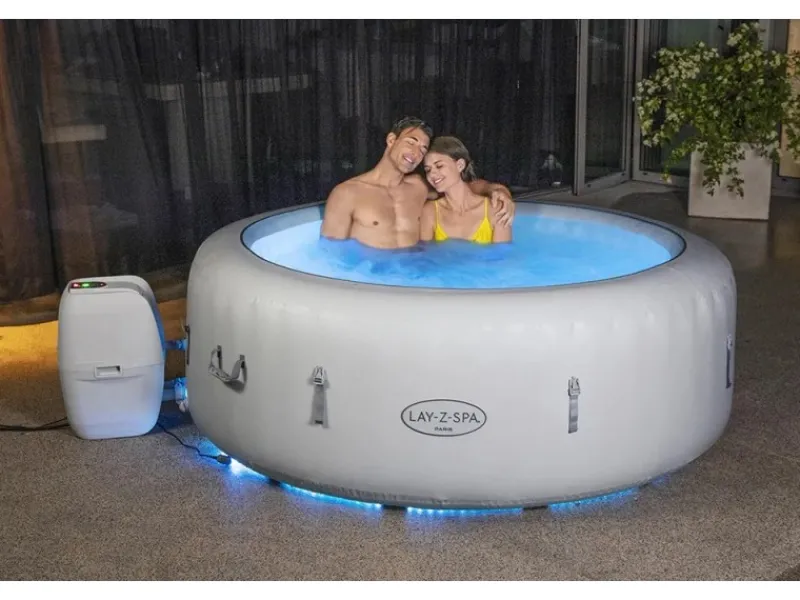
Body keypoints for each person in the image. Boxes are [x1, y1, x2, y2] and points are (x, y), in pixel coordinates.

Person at [320, 116, 514, 249]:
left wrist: (498, 190)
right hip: (373, 282)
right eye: (411, 142)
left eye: (422, 149)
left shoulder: (419, 187)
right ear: (391, 140)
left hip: (414, 277)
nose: (416, 153)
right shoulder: (347, 194)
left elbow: (461, 186)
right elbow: (331, 254)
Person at [420, 135, 512, 244]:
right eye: (428, 170)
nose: (432, 174)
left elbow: (503, 254)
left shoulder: (495, 209)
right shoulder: (430, 211)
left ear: (460, 165)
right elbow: (424, 253)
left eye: (439, 166)